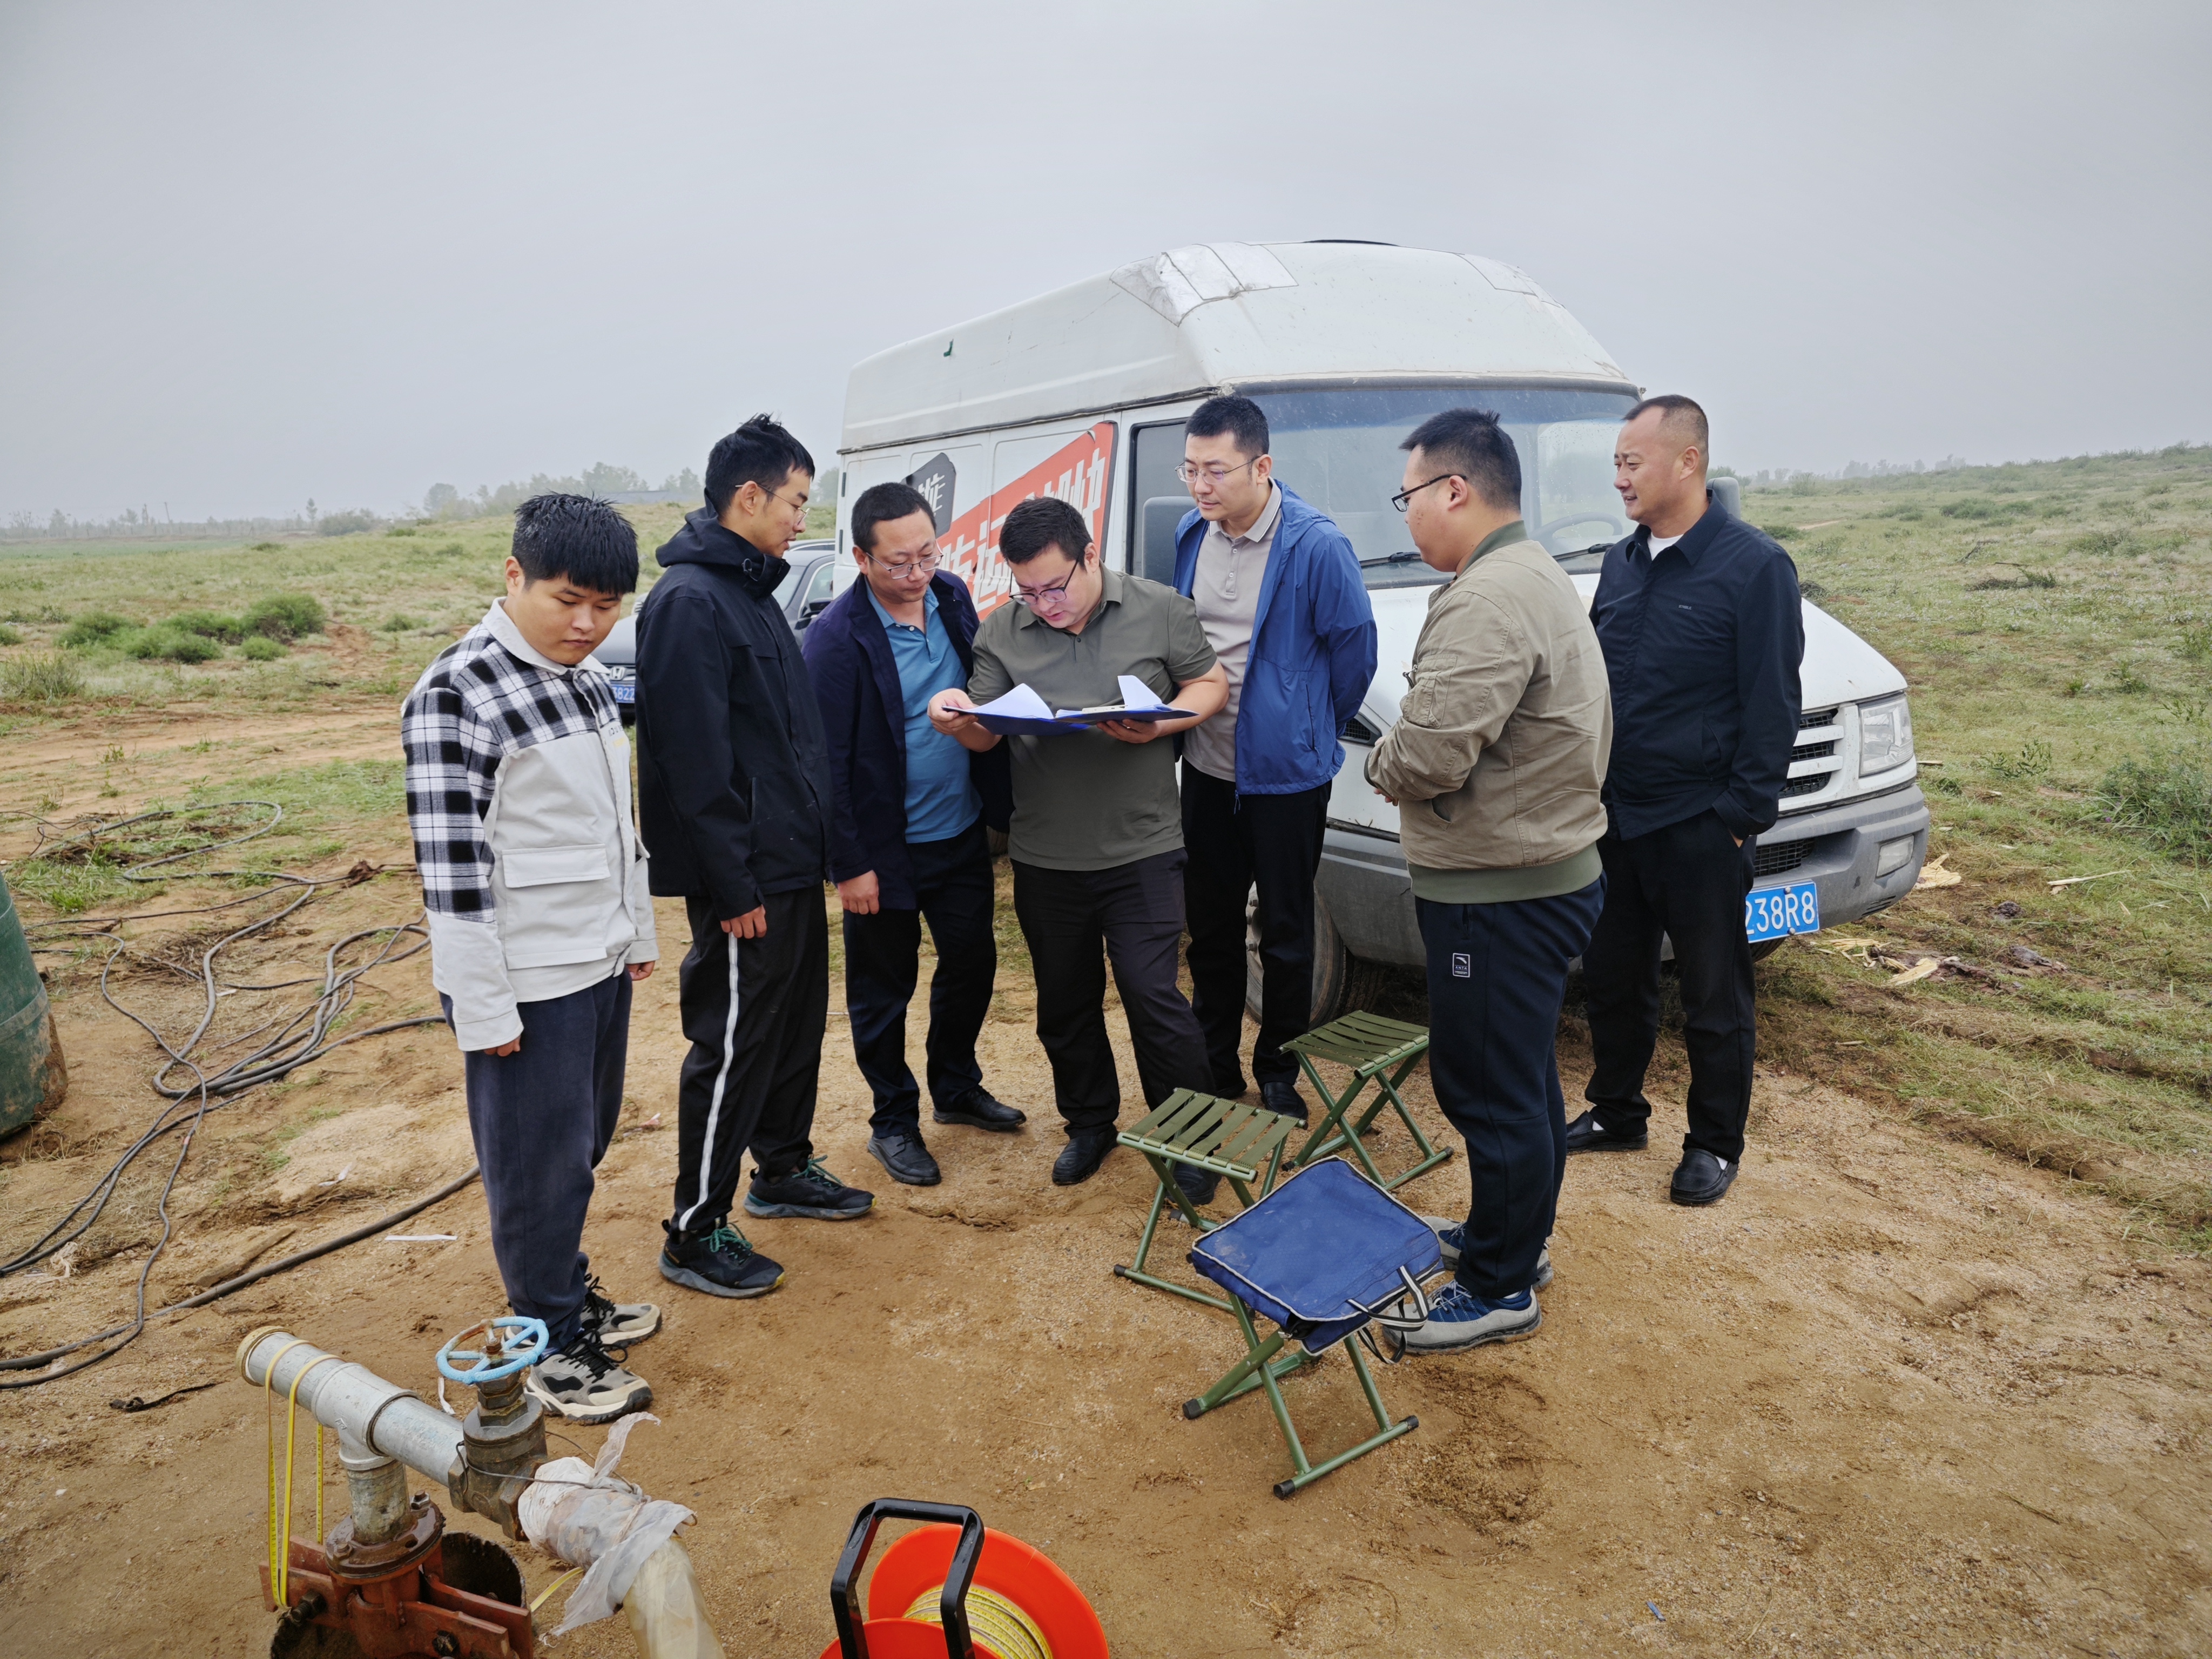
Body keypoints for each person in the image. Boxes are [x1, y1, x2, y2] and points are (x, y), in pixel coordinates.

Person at [402, 493, 663, 1422]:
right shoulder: (456, 694)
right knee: (535, 1167)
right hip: (526, 982)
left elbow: (615, 826)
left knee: (580, 1146)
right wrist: (484, 1009)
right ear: (514, 576)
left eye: (608, 606)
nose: (587, 624)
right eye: (568, 600)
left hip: (596, 961)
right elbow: (452, 875)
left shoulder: (586, 681)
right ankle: (547, 1338)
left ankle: (563, 1288)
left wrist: (636, 932)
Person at [1363, 411, 1612, 1353]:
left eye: (1407, 496)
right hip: (1536, 871)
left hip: (1501, 892)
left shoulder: (1487, 598)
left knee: (1487, 1088)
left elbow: (1428, 754)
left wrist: (1381, 759)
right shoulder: (1532, 570)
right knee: (1522, 1078)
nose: (1406, 514)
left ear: (1455, 490)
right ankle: (1513, 1238)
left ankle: (1497, 1286)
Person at [634, 414, 874, 1301]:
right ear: (748, 496)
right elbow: (691, 763)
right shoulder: (689, 603)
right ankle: (695, 1227)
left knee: (793, 1026)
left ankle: (781, 1167)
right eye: (796, 502)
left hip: (790, 860)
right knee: (733, 1043)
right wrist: (731, 883)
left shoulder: (752, 593)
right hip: (746, 875)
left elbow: (792, 743)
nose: (802, 519)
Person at [927, 495, 1228, 1186]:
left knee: (1154, 997)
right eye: (1027, 591)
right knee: (1065, 1002)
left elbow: (1209, 683)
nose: (1043, 604)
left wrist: (1162, 725)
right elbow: (984, 730)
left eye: (1054, 587)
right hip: (1045, 856)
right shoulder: (1002, 631)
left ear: (1090, 555)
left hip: (1142, 847)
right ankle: (1090, 1124)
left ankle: (1191, 1140)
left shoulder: (1160, 608)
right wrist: (956, 717)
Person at [1572, 395, 1804, 1206]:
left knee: (1712, 994)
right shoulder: (1621, 563)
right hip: (1618, 818)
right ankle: (1617, 1112)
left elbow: (1773, 703)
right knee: (1613, 978)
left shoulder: (1755, 567)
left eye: (1632, 462)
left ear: (1688, 461)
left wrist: (1740, 818)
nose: (1619, 477)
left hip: (1701, 822)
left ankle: (1713, 1143)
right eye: (1616, 463)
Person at [1171, 396, 1377, 1170]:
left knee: (1287, 934)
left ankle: (1279, 1070)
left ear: (1262, 466)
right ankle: (1216, 1067)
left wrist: (1307, 724)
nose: (1200, 485)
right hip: (1206, 766)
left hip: (1287, 777)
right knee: (1212, 927)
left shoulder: (1316, 546)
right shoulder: (1191, 533)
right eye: (1190, 470)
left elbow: (1354, 654)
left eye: (1215, 470)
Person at [802, 481, 1023, 1188]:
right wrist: (849, 864)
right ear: (862, 559)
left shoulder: (951, 596)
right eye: (899, 562)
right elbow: (825, 766)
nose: (918, 572)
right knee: (882, 991)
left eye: (928, 553)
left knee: (972, 963)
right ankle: (893, 1121)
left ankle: (955, 1087)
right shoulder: (835, 642)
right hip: (883, 852)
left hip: (957, 831)